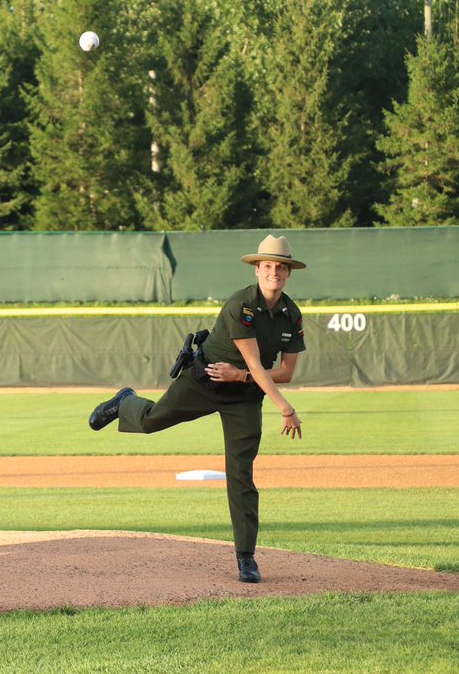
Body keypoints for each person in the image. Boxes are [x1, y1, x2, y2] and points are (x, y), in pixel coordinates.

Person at [87, 234, 306, 584]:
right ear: (258, 269)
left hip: (244, 396)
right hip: (202, 383)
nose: (274, 272)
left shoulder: (290, 315)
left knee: (241, 475)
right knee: (150, 422)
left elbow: (287, 372)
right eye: (268, 266)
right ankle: (125, 401)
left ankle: (246, 558)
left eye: (281, 267)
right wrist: (285, 408)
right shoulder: (242, 305)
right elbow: (259, 365)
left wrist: (241, 377)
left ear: (289, 273)